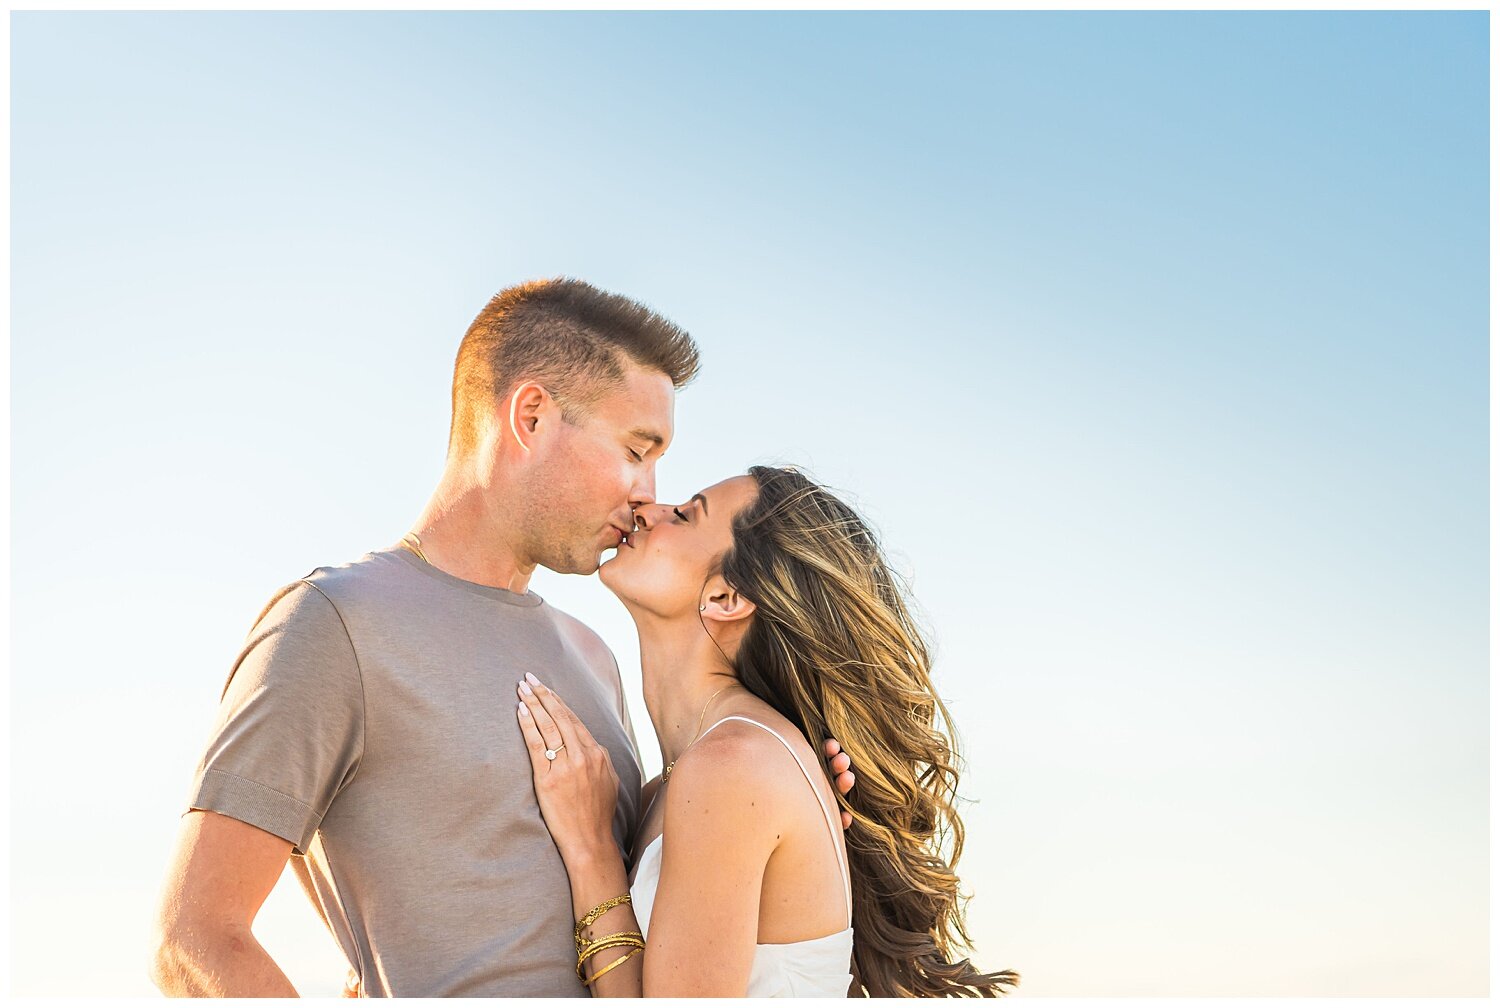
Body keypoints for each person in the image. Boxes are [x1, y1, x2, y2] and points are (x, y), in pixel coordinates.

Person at [147, 278, 854, 998]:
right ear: (533, 416)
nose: (648, 492)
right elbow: (195, 940)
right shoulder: (334, 624)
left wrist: (789, 796)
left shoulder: (592, 656)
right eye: (637, 450)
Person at [515, 465, 1021, 997]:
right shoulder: (686, 780)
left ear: (726, 598)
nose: (648, 507)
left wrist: (592, 851)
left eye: (684, 515)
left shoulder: (733, 764)